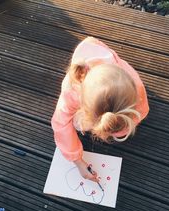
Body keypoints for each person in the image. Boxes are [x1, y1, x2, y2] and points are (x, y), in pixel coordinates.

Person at [51, 37, 149, 182]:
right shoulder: (72, 91)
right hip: (90, 59)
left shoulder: (135, 84)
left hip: (100, 56)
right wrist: (77, 160)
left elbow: (141, 109)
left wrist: (123, 126)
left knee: (126, 125)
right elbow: (60, 123)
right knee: (76, 124)